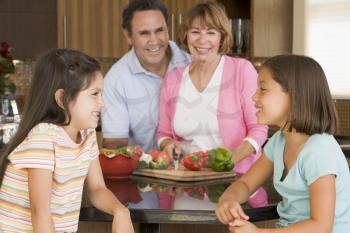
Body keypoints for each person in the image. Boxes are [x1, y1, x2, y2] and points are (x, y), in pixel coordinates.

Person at [0, 49, 134, 233]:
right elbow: (41, 214)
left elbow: (97, 189)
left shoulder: (87, 134)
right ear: (62, 99)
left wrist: (120, 212)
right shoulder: (43, 138)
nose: (102, 103)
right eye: (94, 94)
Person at [216, 54, 350, 233]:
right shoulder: (279, 141)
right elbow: (246, 184)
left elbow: (321, 227)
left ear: (294, 96)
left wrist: (257, 232)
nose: (254, 97)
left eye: (262, 89)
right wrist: (229, 199)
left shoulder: (319, 151)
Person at [157, 2, 268, 175]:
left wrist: (230, 160)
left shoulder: (242, 70)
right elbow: (163, 133)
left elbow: (259, 129)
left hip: (236, 181)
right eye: (195, 32)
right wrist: (167, 144)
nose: (202, 40)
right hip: (187, 180)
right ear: (186, 35)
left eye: (211, 32)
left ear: (221, 37)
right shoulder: (173, 78)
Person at [101, 0, 191, 152]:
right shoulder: (116, 80)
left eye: (159, 30)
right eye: (144, 33)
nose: (154, 40)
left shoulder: (191, 64)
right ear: (128, 36)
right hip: (143, 171)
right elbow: (114, 144)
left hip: (197, 168)